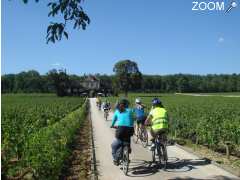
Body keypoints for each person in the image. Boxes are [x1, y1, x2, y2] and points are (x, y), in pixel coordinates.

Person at [110, 98, 134, 165]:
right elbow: (132, 119)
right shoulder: (130, 111)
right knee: (127, 138)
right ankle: (128, 148)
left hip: (121, 129)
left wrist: (112, 125)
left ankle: (116, 159)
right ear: (127, 105)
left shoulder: (117, 111)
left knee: (114, 145)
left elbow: (114, 120)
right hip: (130, 129)